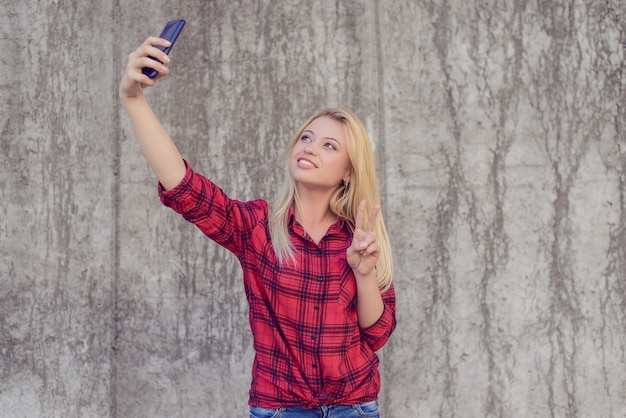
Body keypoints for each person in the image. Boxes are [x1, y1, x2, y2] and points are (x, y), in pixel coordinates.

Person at [119, 35, 396, 418]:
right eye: (307, 138)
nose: (311, 147)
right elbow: (185, 188)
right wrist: (134, 99)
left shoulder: (361, 239)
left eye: (330, 146)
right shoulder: (256, 227)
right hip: (280, 409)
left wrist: (364, 274)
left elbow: (377, 334)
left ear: (349, 172)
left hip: (355, 408)